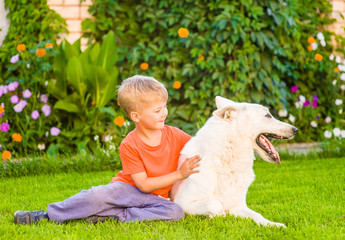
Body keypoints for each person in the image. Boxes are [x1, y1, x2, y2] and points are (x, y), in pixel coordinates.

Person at [14, 75, 200, 224]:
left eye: (165, 106)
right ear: (136, 116)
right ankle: (48, 214)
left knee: (175, 212)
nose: (165, 113)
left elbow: (199, 144)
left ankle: (116, 216)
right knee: (96, 196)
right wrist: (179, 174)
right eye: (157, 110)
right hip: (127, 189)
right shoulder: (129, 144)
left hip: (156, 198)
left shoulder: (174, 134)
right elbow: (143, 185)